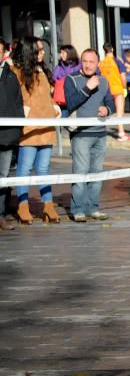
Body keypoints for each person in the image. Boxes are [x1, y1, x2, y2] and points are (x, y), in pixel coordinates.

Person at [10, 36, 59, 224]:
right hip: (29, 129)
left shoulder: (43, 71)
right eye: (39, 50)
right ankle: (23, 206)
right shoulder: (17, 72)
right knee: (24, 168)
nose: (43, 53)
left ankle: (48, 205)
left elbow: (47, 98)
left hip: (46, 127)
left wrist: (55, 108)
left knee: (44, 168)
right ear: (29, 51)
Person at [63, 48, 116, 222]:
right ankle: (78, 209)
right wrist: (87, 88)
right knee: (81, 172)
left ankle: (93, 208)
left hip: (100, 133)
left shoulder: (104, 81)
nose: (88, 65)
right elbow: (71, 104)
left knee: (97, 173)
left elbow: (111, 104)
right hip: (81, 134)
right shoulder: (71, 79)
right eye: (84, 61)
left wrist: (106, 109)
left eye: (91, 61)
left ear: (97, 63)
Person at [0, 37, 23, 230]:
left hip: (7, 135)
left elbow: (18, 104)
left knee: (3, 177)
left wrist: (17, 130)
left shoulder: (10, 75)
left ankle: (1, 215)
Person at [98, 43, 129, 141]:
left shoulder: (101, 63)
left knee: (104, 111)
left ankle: (100, 131)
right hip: (117, 89)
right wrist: (125, 88)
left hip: (106, 90)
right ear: (112, 49)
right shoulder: (118, 62)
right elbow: (123, 77)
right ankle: (121, 133)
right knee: (119, 112)